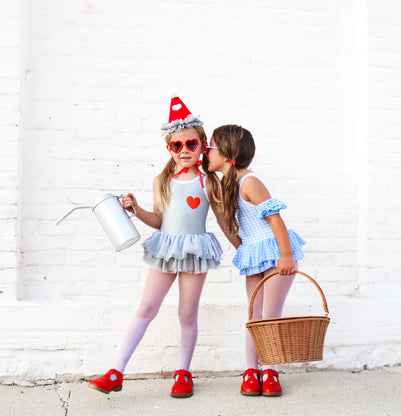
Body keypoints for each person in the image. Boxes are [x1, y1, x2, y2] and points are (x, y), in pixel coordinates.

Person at [89, 95, 237, 398]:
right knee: (146, 307)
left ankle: (183, 371)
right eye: (176, 146)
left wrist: (242, 247)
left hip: (196, 249)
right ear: (169, 148)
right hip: (166, 247)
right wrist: (137, 210)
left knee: (187, 313)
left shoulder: (209, 181)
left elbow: (222, 220)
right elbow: (159, 219)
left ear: (202, 144)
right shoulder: (162, 180)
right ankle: (116, 370)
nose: (184, 151)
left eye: (191, 144)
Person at [206, 124, 305, 397]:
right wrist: (243, 248)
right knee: (254, 316)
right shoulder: (225, 183)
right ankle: (251, 370)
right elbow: (228, 225)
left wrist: (286, 255)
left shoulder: (249, 181)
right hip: (255, 253)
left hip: (275, 253)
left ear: (226, 154)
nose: (205, 152)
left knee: (270, 315)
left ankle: (270, 369)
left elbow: (275, 219)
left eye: (210, 147)